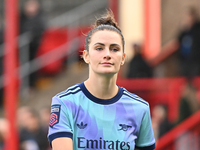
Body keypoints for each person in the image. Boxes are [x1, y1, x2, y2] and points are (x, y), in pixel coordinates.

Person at [48, 11, 155, 150]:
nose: (107, 54)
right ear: (86, 56)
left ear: (123, 58)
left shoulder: (140, 108)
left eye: (114, 49)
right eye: (99, 48)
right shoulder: (65, 103)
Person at [20, 0, 46, 89]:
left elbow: (38, 32)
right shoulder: (22, 18)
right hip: (23, 47)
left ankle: (31, 85)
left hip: (33, 46)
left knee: (31, 65)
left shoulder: (39, 19)